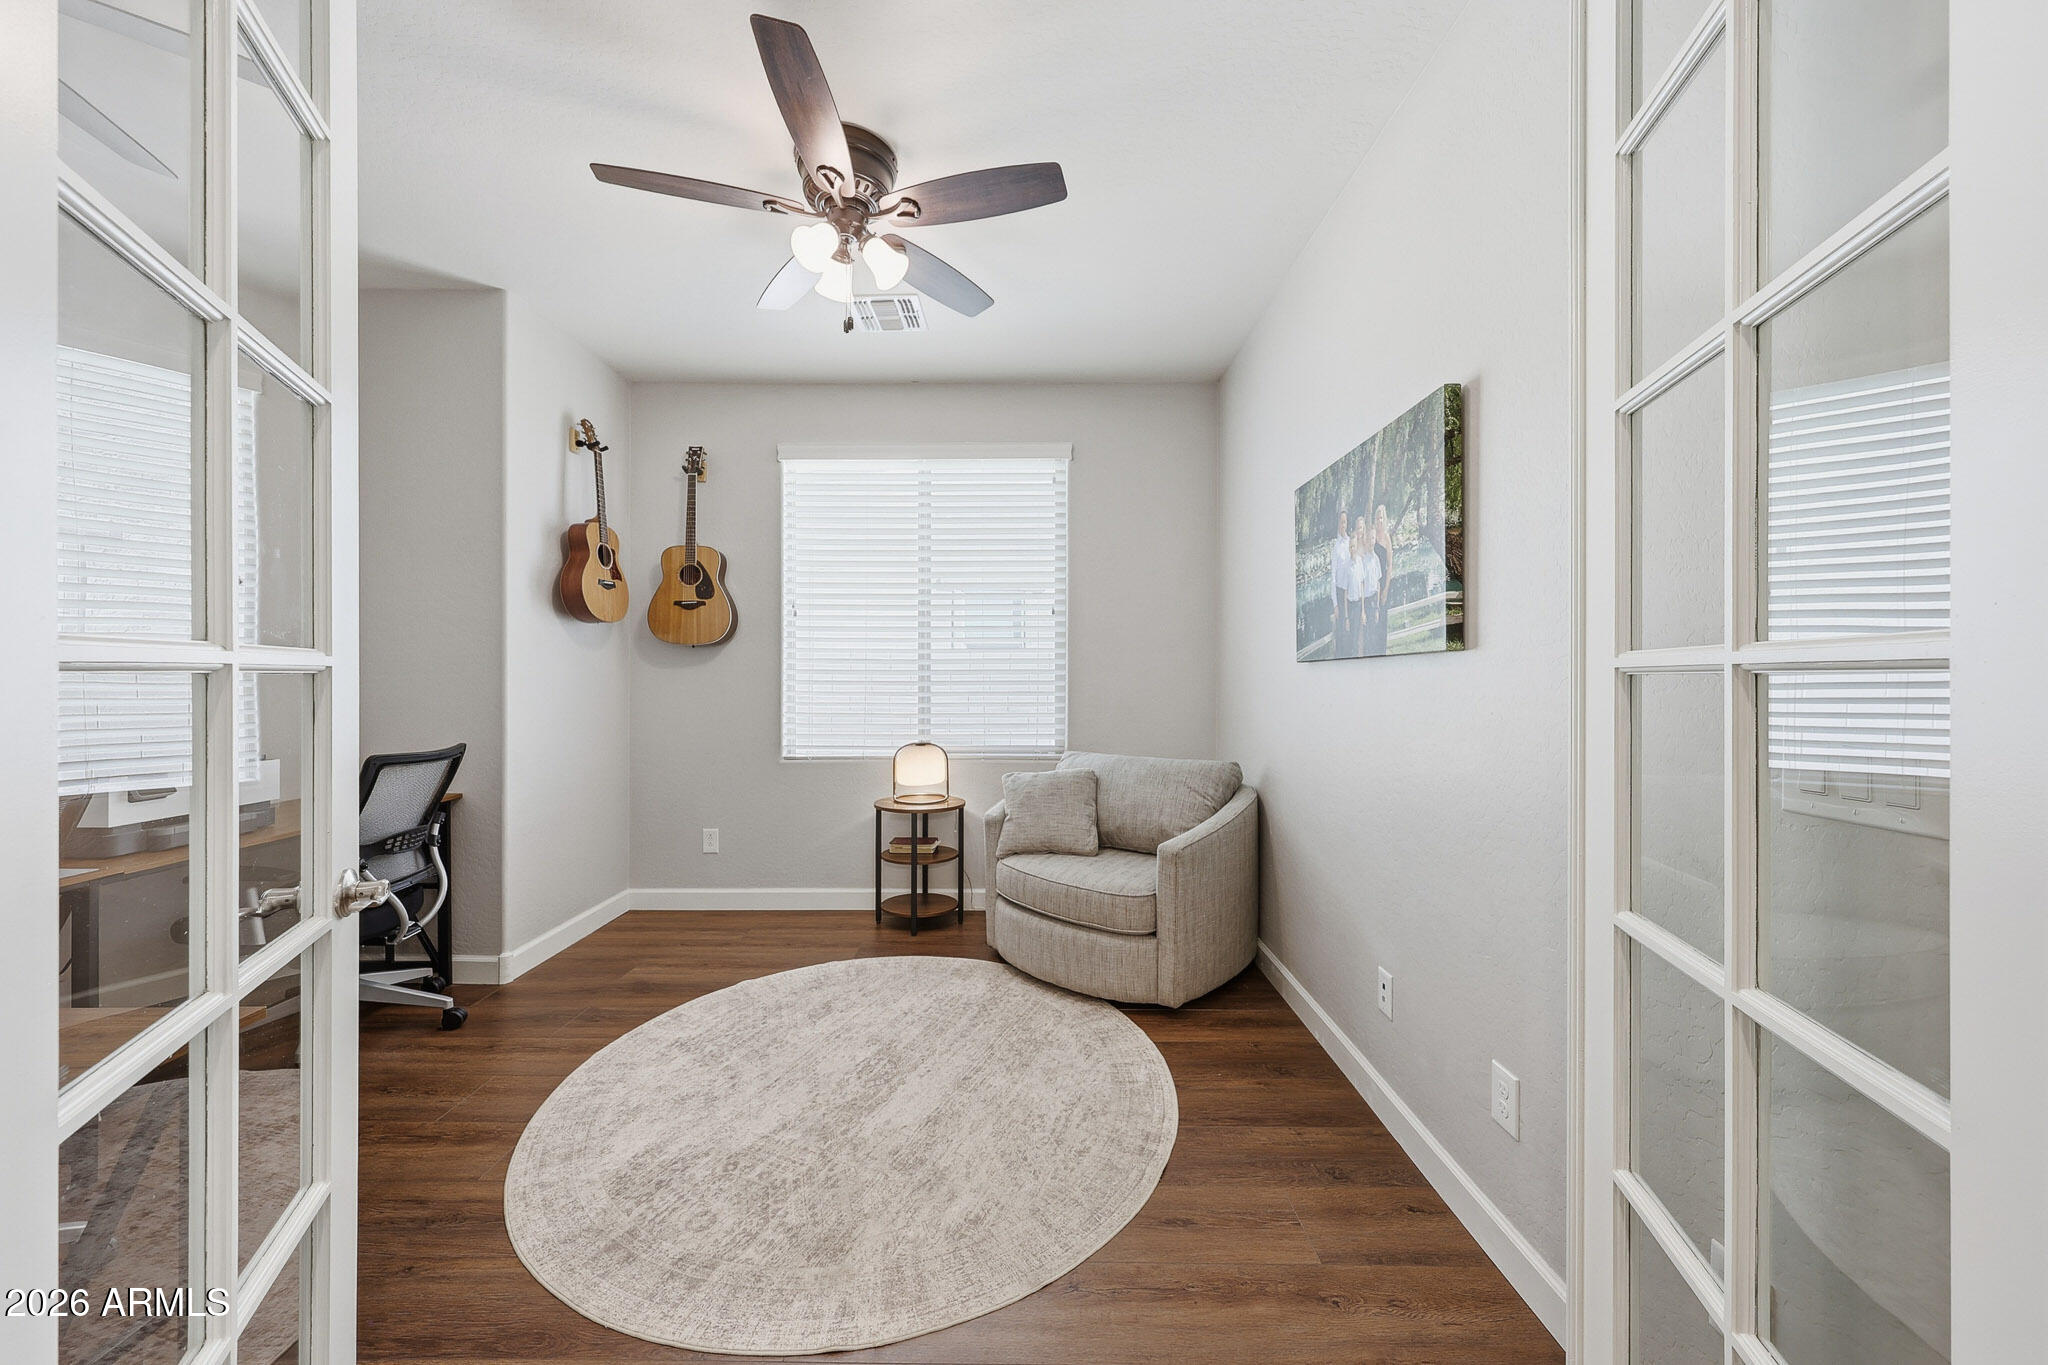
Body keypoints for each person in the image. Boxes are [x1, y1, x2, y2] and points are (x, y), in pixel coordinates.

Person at [1350, 519, 1379, 655]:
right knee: (1360, 631)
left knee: (1370, 631)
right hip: (1360, 597)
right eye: (1358, 528)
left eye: (1362, 528)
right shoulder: (1356, 546)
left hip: (1370, 596)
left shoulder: (1369, 549)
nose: (1360, 531)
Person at [1328, 509, 1352, 655]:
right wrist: (1335, 604)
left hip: (1351, 593)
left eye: (1345, 522)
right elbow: (1333, 577)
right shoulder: (1336, 548)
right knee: (1342, 630)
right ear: (1338, 524)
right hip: (1340, 592)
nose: (1343, 525)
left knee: (1351, 629)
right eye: (1341, 522)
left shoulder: (1351, 542)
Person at [1371, 505, 1394, 653]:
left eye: (1381, 518)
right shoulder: (1372, 535)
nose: (1379, 520)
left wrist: (1385, 589)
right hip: (1373, 583)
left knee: (1382, 618)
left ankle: (1382, 651)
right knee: (1373, 616)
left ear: (1384, 519)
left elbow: (1390, 565)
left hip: (1383, 581)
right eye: (1377, 517)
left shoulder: (1386, 537)